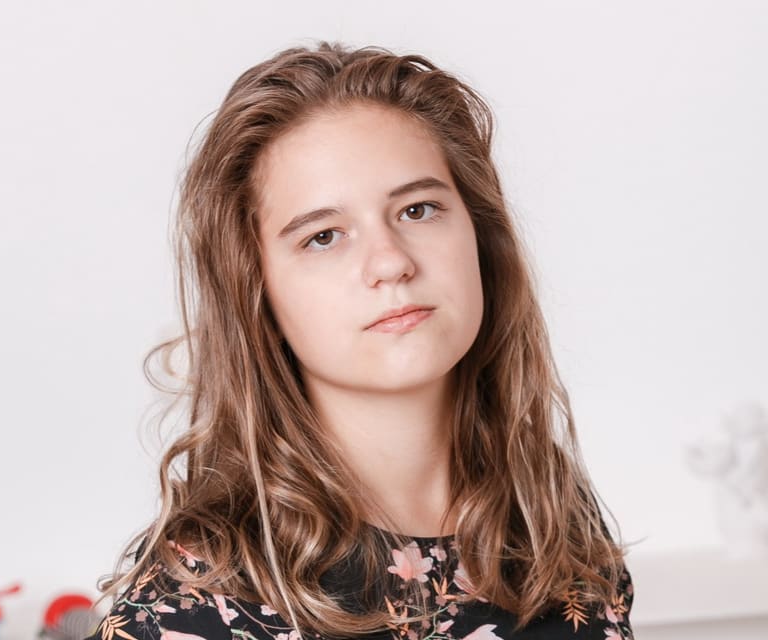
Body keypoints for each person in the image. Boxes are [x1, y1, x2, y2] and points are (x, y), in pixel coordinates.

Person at [88, 41, 635, 640]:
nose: (391, 262)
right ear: (257, 294)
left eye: (418, 210)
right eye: (324, 237)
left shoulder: (552, 520)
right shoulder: (190, 604)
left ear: (480, 236)